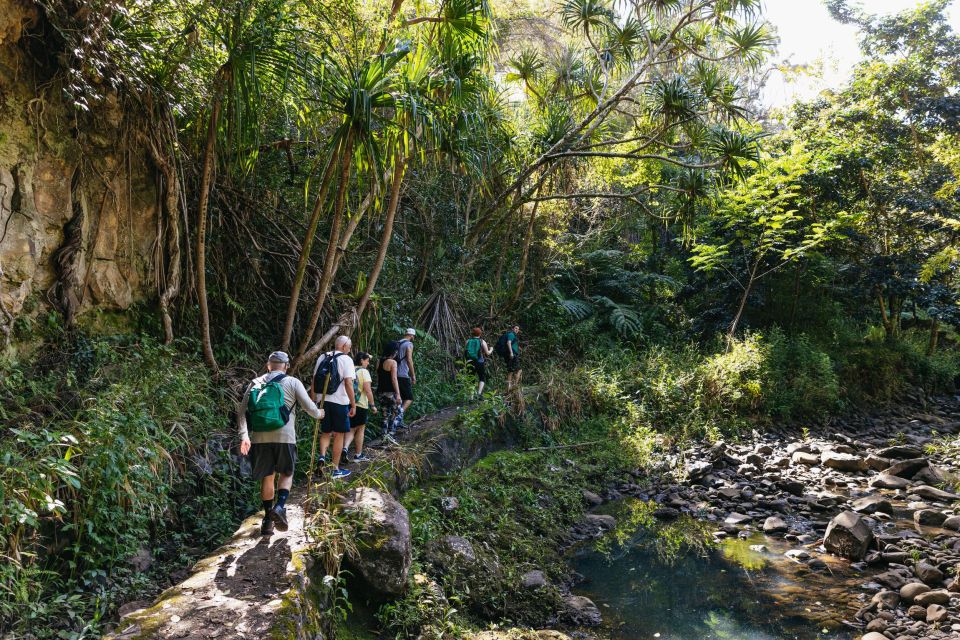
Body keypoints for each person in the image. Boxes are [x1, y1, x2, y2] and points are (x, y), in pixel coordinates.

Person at [238, 351, 323, 536]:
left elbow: (242, 412)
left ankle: (268, 521)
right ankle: (280, 506)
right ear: (285, 366)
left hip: (260, 438)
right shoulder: (292, 382)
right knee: (286, 472)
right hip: (285, 436)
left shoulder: (256, 383)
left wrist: (244, 435)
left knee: (267, 477)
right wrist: (320, 414)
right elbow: (309, 407)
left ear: (268, 365)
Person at [311, 335, 356, 480]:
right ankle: (335, 468)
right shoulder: (346, 359)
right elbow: (348, 383)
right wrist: (353, 404)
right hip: (339, 402)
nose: (349, 350)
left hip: (323, 401)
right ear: (343, 346)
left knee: (325, 433)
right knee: (339, 434)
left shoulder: (322, 357)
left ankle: (322, 457)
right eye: (349, 347)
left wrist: (314, 401)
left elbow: (314, 380)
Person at [343, 352, 376, 462]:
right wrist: (372, 405)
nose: (368, 363)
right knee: (360, 429)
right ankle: (358, 455)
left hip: (349, 403)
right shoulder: (364, 372)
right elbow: (368, 390)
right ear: (362, 360)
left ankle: (345, 448)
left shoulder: (350, 369)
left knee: (351, 429)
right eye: (367, 360)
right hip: (361, 405)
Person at [377, 342, 403, 440]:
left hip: (380, 392)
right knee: (398, 412)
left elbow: (378, 375)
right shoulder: (393, 362)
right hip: (390, 392)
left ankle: (384, 435)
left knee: (385, 414)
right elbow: (394, 379)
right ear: (395, 351)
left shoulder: (379, 361)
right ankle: (391, 433)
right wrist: (398, 394)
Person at [395, 328, 417, 421]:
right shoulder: (409, 344)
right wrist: (413, 375)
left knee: (398, 399)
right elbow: (409, 359)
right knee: (408, 398)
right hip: (403, 374)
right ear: (412, 336)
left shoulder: (396, 343)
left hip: (393, 374)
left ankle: (396, 422)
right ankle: (398, 417)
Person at [464, 327, 494, 396]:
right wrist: (491, 349)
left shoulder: (468, 341)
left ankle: (471, 397)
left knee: (471, 379)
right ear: (480, 334)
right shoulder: (482, 341)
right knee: (482, 377)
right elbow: (487, 353)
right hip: (479, 362)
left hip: (469, 362)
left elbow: (465, 352)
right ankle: (479, 393)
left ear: (472, 333)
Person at [503, 325, 522, 390]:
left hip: (511, 355)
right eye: (516, 328)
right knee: (519, 370)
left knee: (510, 371)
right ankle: (514, 386)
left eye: (518, 329)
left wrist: (518, 347)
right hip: (513, 355)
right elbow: (508, 343)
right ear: (513, 329)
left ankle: (508, 388)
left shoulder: (513, 335)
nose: (517, 330)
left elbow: (511, 343)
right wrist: (511, 352)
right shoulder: (511, 334)